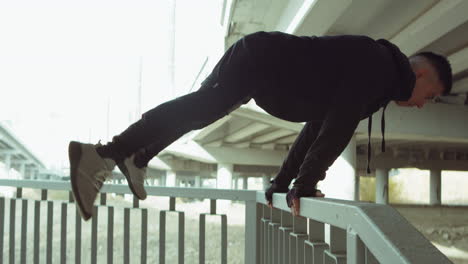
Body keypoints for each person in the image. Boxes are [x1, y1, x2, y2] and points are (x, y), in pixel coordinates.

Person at [68, 31, 452, 220]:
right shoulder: (379, 67)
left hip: (262, 64)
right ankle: (103, 154)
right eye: (430, 96)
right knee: (201, 107)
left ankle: (137, 155)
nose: (423, 106)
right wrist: (306, 183)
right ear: (421, 75)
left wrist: (284, 183)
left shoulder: (380, 80)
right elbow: (336, 126)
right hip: (262, 61)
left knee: (201, 111)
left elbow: (318, 124)